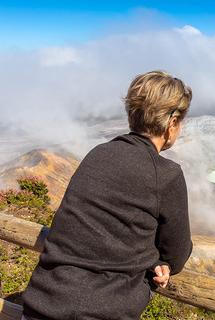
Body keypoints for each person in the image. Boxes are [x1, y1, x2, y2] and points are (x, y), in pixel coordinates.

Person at [21, 70, 194, 320]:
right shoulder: (166, 174)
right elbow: (176, 255)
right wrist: (156, 259)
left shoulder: (98, 154)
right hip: (102, 311)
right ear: (172, 123)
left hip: (42, 303)